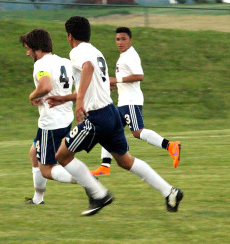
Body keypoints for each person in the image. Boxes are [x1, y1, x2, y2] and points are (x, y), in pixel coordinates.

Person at [49, 16, 183, 216]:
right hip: (110, 112)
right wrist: (66, 98)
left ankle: (99, 194)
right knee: (125, 161)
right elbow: (94, 84)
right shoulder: (96, 52)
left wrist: (79, 102)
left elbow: (88, 68)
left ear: (69, 36)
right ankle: (169, 191)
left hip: (96, 118)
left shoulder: (77, 52)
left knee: (62, 155)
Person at [91, 27, 181, 176]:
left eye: (123, 39)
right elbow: (126, 79)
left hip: (130, 102)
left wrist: (117, 80)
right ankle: (104, 167)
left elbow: (139, 76)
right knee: (108, 130)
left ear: (130, 40)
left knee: (137, 132)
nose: (120, 42)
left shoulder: (130, 55)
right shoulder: (124, 56)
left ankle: (170, 146)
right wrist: (114, 84)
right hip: (123, 103)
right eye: (117, 39)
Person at [19, 29, 78, 205]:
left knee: (46, 169)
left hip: (51, 123)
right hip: (64, 119)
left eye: (28, 48)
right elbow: (81, 87)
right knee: (33, 154)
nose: (27, 52)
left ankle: (84, 179)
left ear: (36, 47)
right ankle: (38, 199)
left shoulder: (41, 65)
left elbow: (45, 85)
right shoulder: (64, 62)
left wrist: (32, 96)